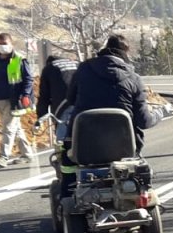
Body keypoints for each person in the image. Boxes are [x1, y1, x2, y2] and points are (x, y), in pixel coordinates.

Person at [56, 35, 162, 196]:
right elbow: (144, 121)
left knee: (67, 160)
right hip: (125, 149)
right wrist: (159, 114)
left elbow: (70, 99)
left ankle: (67, 195)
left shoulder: (84, 69)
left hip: (83, 145)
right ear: (126, 53)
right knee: (140, 171)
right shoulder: (134, 79)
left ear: (104, 49)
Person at [0, 33, 35, 167]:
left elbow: (29, 79)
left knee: (8, 128)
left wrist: (25, 95)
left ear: (11, 44)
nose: (2, 46)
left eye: (4, 44)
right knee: (15, 128)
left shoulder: (19, 59)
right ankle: (27, 154)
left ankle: (3, 157)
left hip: (14, 100)